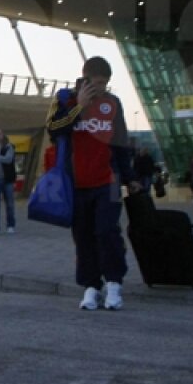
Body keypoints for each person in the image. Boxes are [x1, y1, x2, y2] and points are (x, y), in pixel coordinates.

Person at [46, 57, 140, 312]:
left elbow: (121, 143)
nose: (101, 88)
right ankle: (90, 285)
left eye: (104, 83)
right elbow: (53, 129)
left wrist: (130, 177)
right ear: (85, 78)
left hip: (109, 181)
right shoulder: (64, 100)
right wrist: (79, 106)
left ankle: (114, 283)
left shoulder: (113, 103)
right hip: (76, 182)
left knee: (107, 231)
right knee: (83, 235)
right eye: (97, 83)